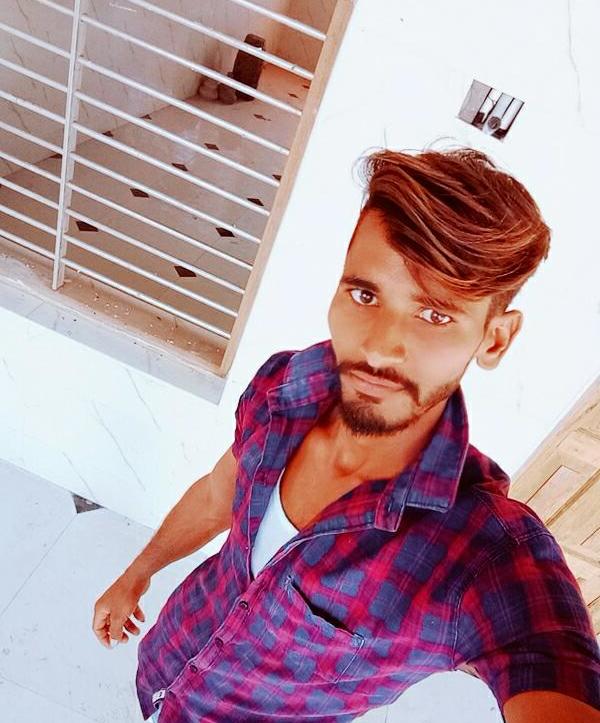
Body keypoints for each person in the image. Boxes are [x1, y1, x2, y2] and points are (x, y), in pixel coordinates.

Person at [92, 147, 600, 722]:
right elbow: (216, 496)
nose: (379, 347)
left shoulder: (481, 551)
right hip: (168, 660)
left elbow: (548, 663)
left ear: (495, 338)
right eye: (365, 295)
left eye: (435, 315)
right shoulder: (287, 388)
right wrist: (138, 572)